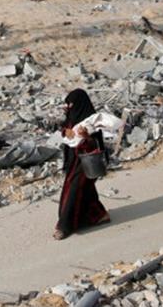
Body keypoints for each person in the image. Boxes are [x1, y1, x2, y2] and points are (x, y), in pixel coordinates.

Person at [54, 89, 110, 240]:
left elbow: (97, 144)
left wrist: (86, 137)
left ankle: (64, 226)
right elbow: (64, 129)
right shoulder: (72, 116)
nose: (68, 107)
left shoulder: (91, 120)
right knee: (85, 191)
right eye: (68, 104)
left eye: (71, 104)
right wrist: (66, 132)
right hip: (73, 161)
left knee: (73, 191)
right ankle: (99, 215)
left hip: (87, 161)